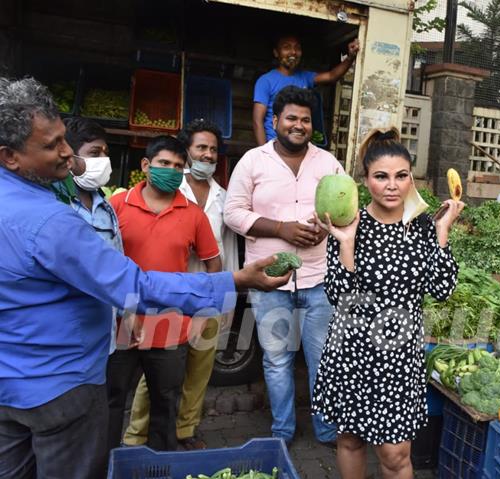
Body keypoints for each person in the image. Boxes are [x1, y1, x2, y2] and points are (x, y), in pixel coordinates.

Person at [0, 77, 289, 479]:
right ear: (10, 156)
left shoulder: (23, 198)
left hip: (11, 380)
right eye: (52, 146)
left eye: (64, 139)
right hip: (58, 387)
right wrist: (237, 281)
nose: (67, 153)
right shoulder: (51, 220)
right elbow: (136, 286)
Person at [311, 128, 463, 479]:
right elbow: (338, 298)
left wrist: (443, 233)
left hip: (399, 355)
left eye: (401, 176)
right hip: (351, 350)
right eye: (381, 176)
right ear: (366, 181)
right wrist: (346, 244)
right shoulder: (349, 222)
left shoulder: (423, 226)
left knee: (395, 455)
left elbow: (442, 289)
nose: (392, 185)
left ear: (411, 180)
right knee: (349, 441)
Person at [225, 86, 340, 447]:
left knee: (322, 359)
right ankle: (282, 432)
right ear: (275, 122)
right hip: (268, 281)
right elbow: (233, 213)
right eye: (291, 118)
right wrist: (280, 229)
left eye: (305, 120)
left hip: (317, 278)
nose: (299, 125)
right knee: (276, 361)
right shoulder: (253, 161)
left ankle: (326, 430)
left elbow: (344, 210)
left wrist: (325, 230)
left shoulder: (328, 163)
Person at [122, 120, 238, 450]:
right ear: (187, 151)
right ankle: (137, 434)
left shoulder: (222, 196)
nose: (208, 154)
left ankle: (186, 430)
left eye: (213, 149)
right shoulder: (169, 190)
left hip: (209, 292)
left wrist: (223, 298)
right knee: (157, 374)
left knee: (199, 370)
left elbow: (223, 251)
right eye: (201, 147)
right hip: (168, 293)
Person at [63, 117, 124, 354]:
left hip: (102, 334)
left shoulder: (105, 207)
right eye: (94, 153)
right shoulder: (57, 204)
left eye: (105, 153)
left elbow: (118, 262)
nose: (103, 161)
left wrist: (125, 313)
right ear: (69, 156)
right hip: (66, 334)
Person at [253, 34, 360, 145]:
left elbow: (332, 76)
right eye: (286, 47)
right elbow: (257, 121)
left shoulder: (305, 77)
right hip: (275, 145)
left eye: (297, 48)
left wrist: (350, 57)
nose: (293, 52)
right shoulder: (265, 81)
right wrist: (265, 154)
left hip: (299, 145)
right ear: (276, 53)